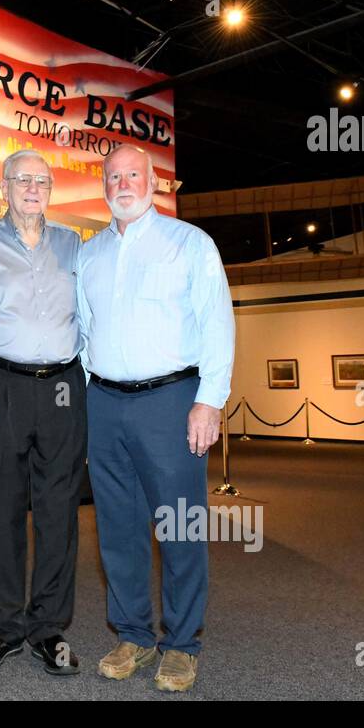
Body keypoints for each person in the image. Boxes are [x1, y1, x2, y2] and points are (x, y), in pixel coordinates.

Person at [77, 147, 234, 693]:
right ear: (104, 185)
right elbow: (83, 333)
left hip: (173, 402)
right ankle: (134, 636)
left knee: (180, 525)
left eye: (134, 175)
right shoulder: (89, 254)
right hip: (105, 402)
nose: (124, 183)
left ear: (154, 181)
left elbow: (217, 322)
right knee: (117, 528)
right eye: (114, 176)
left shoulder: (190, 243)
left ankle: (183, 643)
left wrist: (210, 400)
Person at [0, 150, 85, 676]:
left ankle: (49, 629)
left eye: (42, 181)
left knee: (58, 513)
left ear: (51, 189)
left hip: (63, 389)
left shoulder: (74, 245)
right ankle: (4, 627)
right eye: (23, 179)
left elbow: (90, 317)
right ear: (3, 187)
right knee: (4, 507)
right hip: (0, 384)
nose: (33, 187)